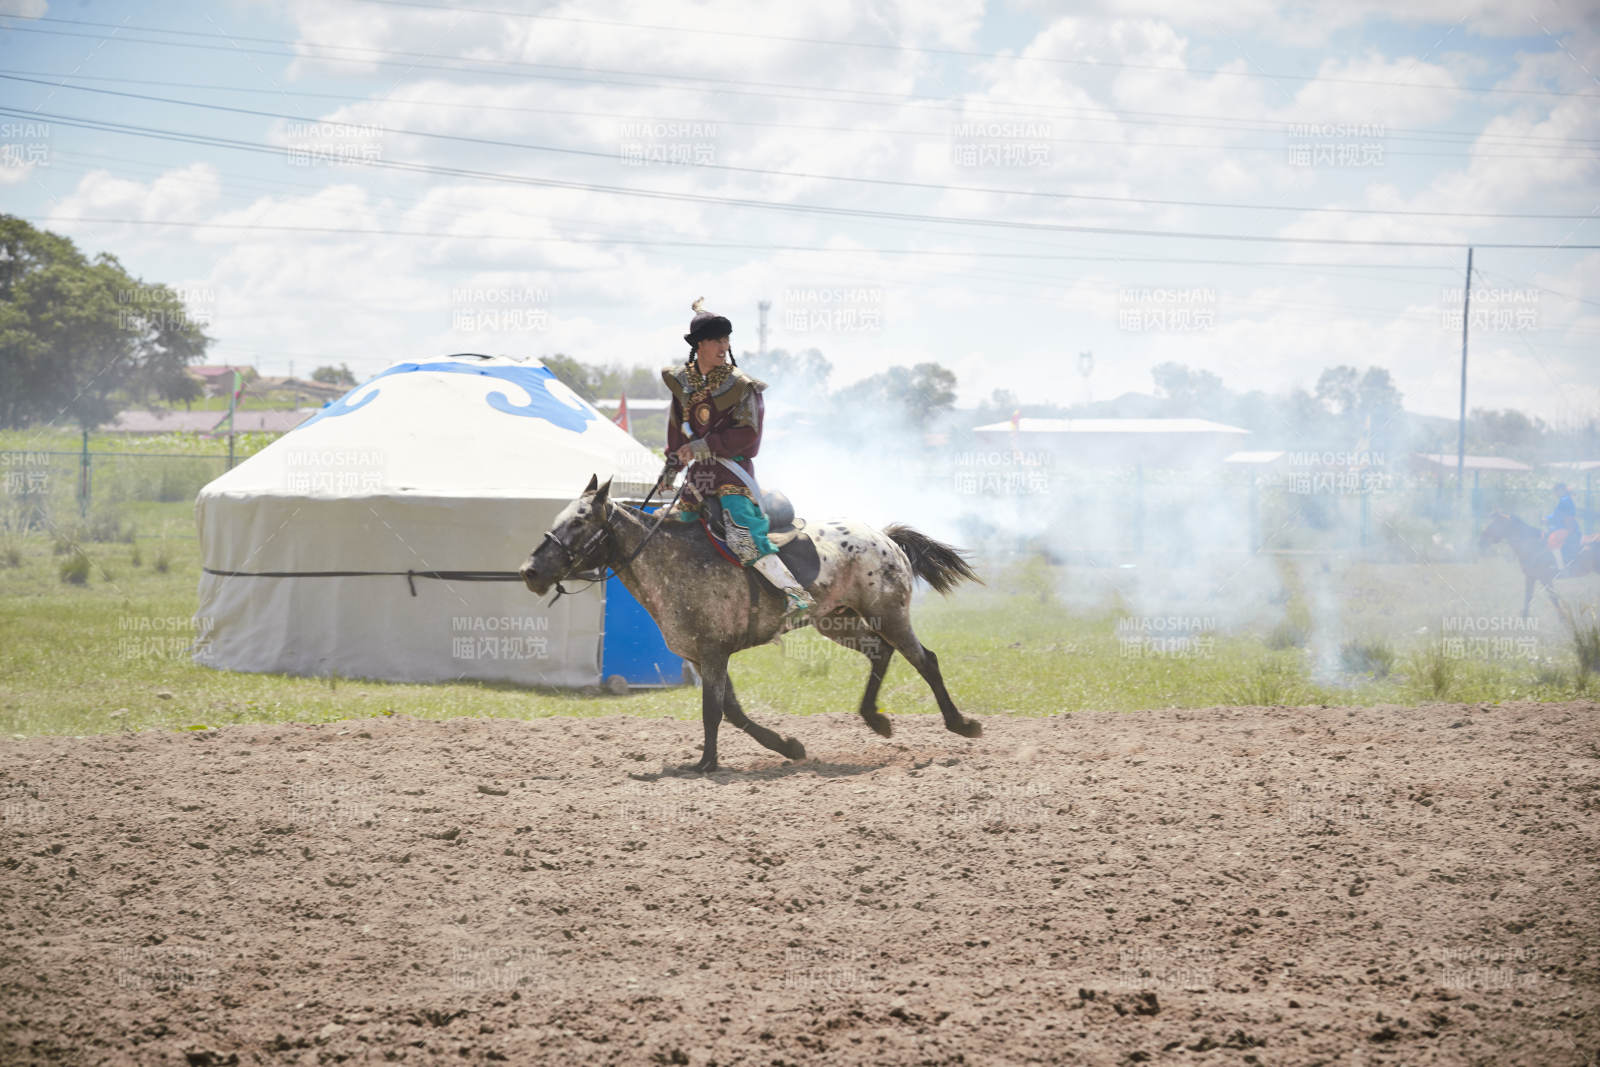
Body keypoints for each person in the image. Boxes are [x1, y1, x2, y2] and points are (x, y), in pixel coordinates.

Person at [656, 298, 815, 626]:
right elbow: (677, 432)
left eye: (727, 340)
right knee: (669, 529)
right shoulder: (682, 384)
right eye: (717, 340)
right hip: (697, 481)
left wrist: (701, 446)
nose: (724, 347)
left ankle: (795, 594)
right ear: (700, 345)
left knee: (744, 537)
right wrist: (671, 469)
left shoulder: (742, 387)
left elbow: (748, 440)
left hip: (733, 476)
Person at [1545, 482, 1581, 569]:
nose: (1556, 493)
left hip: (1567, 528)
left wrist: (1547, 519)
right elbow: (1557, 515)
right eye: (1555, 491)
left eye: (1557, 491)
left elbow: (1559, 515)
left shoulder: (1565, 500)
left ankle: (1561, 568)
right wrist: (1548, 518)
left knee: (1552, 539)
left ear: (1562, 490)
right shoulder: (1565, 499)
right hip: (1564, 526)